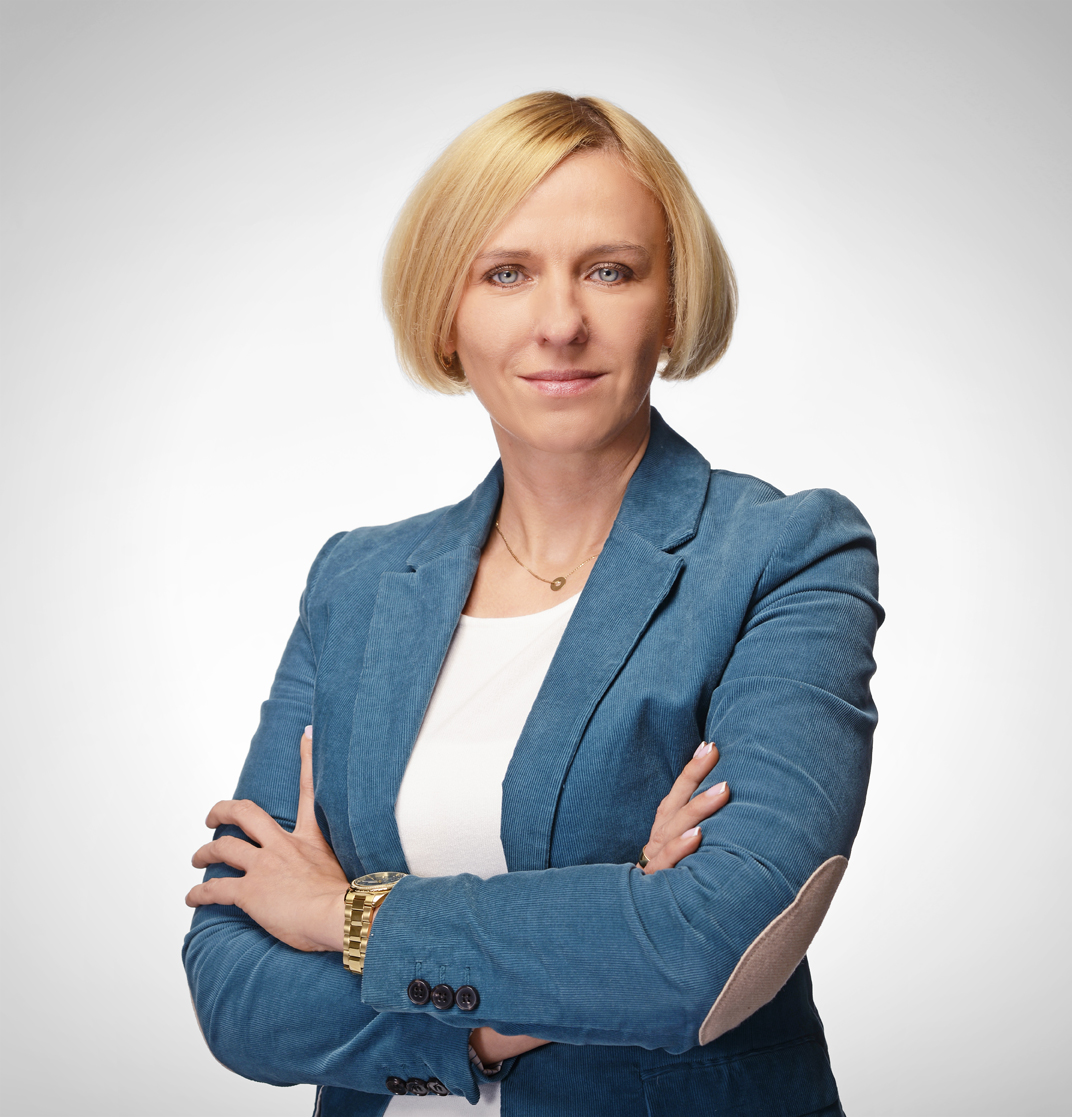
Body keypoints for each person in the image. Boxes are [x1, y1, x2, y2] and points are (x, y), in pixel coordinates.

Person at [183, 92, 883, 1117]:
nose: (560, 323)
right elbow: (235, 991)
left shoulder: (783, 554)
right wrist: (554, 974)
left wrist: (344, 914)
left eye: (610, 270)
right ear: (447, 313)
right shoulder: (357, 583)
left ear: (672, 304)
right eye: (506, 273)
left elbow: (707, 954)